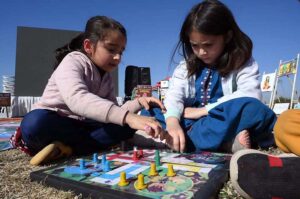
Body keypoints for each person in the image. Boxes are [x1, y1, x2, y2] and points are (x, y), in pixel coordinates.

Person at [16, 16, 166, 165]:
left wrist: (139, 102)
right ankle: (79, 146)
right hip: (56, 121)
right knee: (34, 123)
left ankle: (67, 149)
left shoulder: (106, 77)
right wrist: (130, 117)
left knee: (124, 127)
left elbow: (113, 112)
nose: (118, 57)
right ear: (89, 46)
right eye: (111, 49)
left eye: (121, 51)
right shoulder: (73, 60)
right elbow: (77, 99)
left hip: (82, 127)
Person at [141, 0, 277, 153]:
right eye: (195, 45)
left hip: (219, 119)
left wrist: (203, 111)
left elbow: (251, 94)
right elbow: (174, 95)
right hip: (190, 121)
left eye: (208, 45)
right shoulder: (185, 66)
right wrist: (172, 122)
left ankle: (179, 140)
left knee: (253, 108)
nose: (201, 52)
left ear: (227, 37)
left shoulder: (242, 61)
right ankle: (223, 142)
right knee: (151, 111)